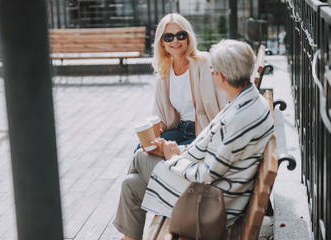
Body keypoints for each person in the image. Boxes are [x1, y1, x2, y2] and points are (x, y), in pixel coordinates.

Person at [114, 39, 275, 240]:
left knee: (140, 157)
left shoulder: (237, 119)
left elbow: (206, 175)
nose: (211, 73)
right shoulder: (248, 100)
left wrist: (173, 158)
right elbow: (212, 155)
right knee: (131, 184)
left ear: (222, 77)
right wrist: (174, 151)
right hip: (218, 190)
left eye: (213, 70)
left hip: (211, 202)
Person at [148, 13, 228, 146]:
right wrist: (153, 133)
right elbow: (160, 116)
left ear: (188, 38)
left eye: (181, 35)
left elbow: (223, 102)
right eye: (168, 37)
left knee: (169, 153)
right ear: (161, 42)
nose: (175, 41)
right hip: (180, 130)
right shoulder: (164, 73)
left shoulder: (204, 64)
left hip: (204, 132)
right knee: (142, 149)